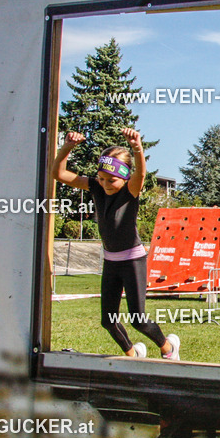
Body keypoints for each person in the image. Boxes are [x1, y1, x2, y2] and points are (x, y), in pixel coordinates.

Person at [53, 128, 180, 361]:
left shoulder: (130, 190)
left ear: (124, 177)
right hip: (111, 262)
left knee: (138, 320)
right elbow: (59, 174)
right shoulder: (95, 186)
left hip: (133, 260)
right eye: (101, 178)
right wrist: (67, 147)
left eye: (110, 180)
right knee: (108, 321)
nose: (105, 184)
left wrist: (137, 147)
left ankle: (168, 347)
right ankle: (133, 355)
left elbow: (140, 175)